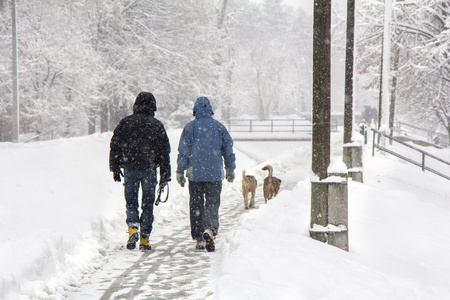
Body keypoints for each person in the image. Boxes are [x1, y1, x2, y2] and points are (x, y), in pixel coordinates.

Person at [109, 92, 171, 251]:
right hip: (149, 169)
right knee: (148, 203)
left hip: (130, 168)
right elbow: (164, 152)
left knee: (131, 202)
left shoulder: (126, 123)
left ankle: (132, 228)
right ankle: (144, 238)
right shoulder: (156, 125)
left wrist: (115, 167)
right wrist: (165, 174)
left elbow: (115, 145)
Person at [176, 97, 236, 252]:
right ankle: (209, 229)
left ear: (195, 111)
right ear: (210, 111)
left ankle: (198, 238)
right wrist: (230, 169)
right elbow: (228, 150)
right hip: (214, 175)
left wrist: (180, 172)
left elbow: (183, 152)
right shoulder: (219, 127)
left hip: (195, 175)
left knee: (196, 205)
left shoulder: (190, 128)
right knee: (212, 204)